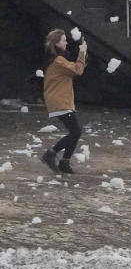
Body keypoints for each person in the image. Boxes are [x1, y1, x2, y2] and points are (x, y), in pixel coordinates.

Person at [39, 29, 87, 174]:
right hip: (60, 101)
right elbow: (78, 70)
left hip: (62, 100)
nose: (66, 42)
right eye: (64, 40)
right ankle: (51, 154)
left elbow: (76, 68)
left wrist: (82, 56)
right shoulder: (59, 60)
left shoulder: (56, 59)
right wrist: (82, 52)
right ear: (56, 43)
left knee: (75, 131)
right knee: (76, 131)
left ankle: (64, 163)